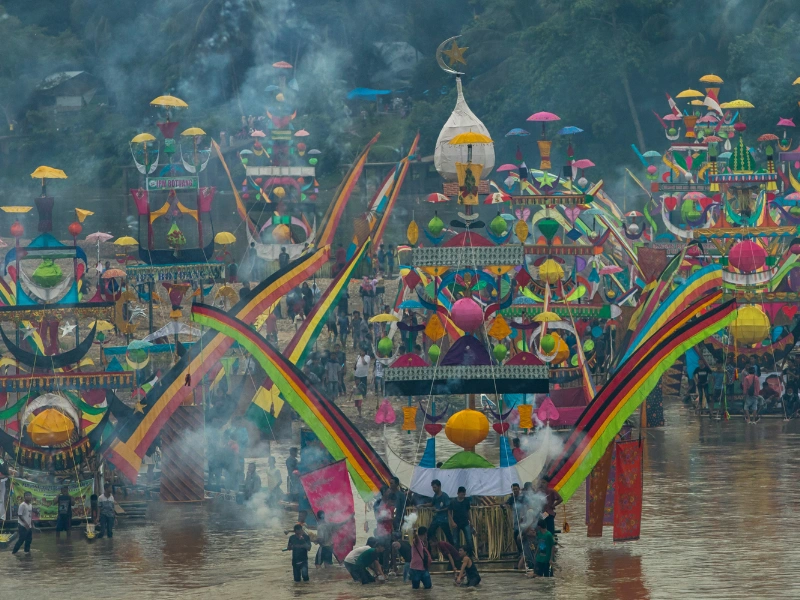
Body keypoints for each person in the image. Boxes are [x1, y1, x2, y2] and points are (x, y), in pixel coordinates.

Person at [427, 479, 454, 544]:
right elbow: (431, 504)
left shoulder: (445, 496)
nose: (433, 489)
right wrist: (422, 505)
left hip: (443, 519)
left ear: (439, 487)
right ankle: (432, 546)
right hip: (436, 518)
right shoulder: (435, 496)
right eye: (433, 487)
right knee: (429, 533)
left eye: (435, 487)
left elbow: (448, 507)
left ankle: (454, 549)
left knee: (449, 536)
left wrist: (439, 510)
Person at [450, 486, 473, 554]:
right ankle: (457, 555)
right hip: (456, 523)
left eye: (464, 494)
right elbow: (449, 513)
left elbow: (468, 512)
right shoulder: (453, 502)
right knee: (455, 541)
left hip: (465, 522)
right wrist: (452, 522)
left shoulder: (466, 501)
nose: (463, 496)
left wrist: (471, 522)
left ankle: (470, 554)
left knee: (469, 539)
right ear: (458, 493)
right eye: (462, 494)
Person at [506, 483, 526, 556]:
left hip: (524, 520)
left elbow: (527, 506)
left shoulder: (523, 497)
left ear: (519, 489)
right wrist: (504, 505)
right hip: (515, 520)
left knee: (523, 536)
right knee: (515, 535)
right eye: (513, 489)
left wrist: (523, 516)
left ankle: (525, 551)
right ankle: (520, 551)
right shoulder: (512, 498)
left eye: (516, 489)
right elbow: (506, 504)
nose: (515, 490)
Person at [354, 349, 370, 417]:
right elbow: (355, 364)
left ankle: (364, 395)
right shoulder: (358, 356)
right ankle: (358, 394)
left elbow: (364, 363)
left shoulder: (367, 357)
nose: (361, 352)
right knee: (358, 385)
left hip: (364, 374)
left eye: (362, 351)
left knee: (364, 385)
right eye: (360, 351)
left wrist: (362, 357)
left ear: (365, 352)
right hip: (357, 373)